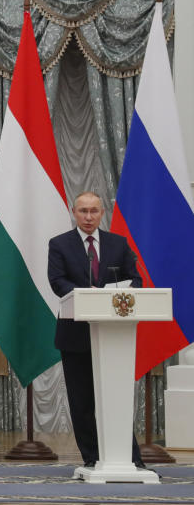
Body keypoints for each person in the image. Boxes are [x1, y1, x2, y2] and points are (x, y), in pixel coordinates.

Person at [48, 190, 143, 469]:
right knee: (82, 401)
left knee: (115, 398)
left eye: (94, 211)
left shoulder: (118, 243)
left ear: (102, 213)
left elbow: (134, 280)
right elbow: (57, 281)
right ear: (74, 213)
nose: (89, 217)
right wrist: (84, 294)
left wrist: (107, 294)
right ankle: (92, 458)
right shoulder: (60, 244)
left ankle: (130, 459)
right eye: (83, 211)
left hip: (114, 334)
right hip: (75, 333)